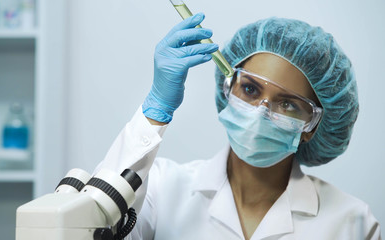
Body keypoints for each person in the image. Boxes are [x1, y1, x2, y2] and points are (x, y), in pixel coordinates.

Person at [94, 13, 382, 239]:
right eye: (251, 90)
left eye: (288, 104)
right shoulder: (162, 189)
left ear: (312, 127)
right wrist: (155, 111)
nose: (260, 113)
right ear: (228, 89)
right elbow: (88, 224)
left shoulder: (351, 223)